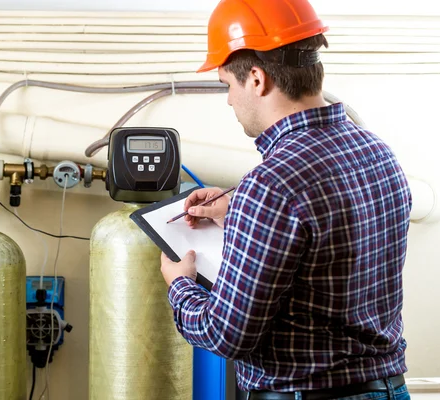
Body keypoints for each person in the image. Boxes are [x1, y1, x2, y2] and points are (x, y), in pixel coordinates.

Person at [159, 0, 412, 399]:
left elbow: (227, 335)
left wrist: (179, 285)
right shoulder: (376, 151)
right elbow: (325, 240)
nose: (228, 100)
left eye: (227, 84)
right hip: (387, 389)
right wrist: (240, 211)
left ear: (256, 78)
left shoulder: (272, 185)